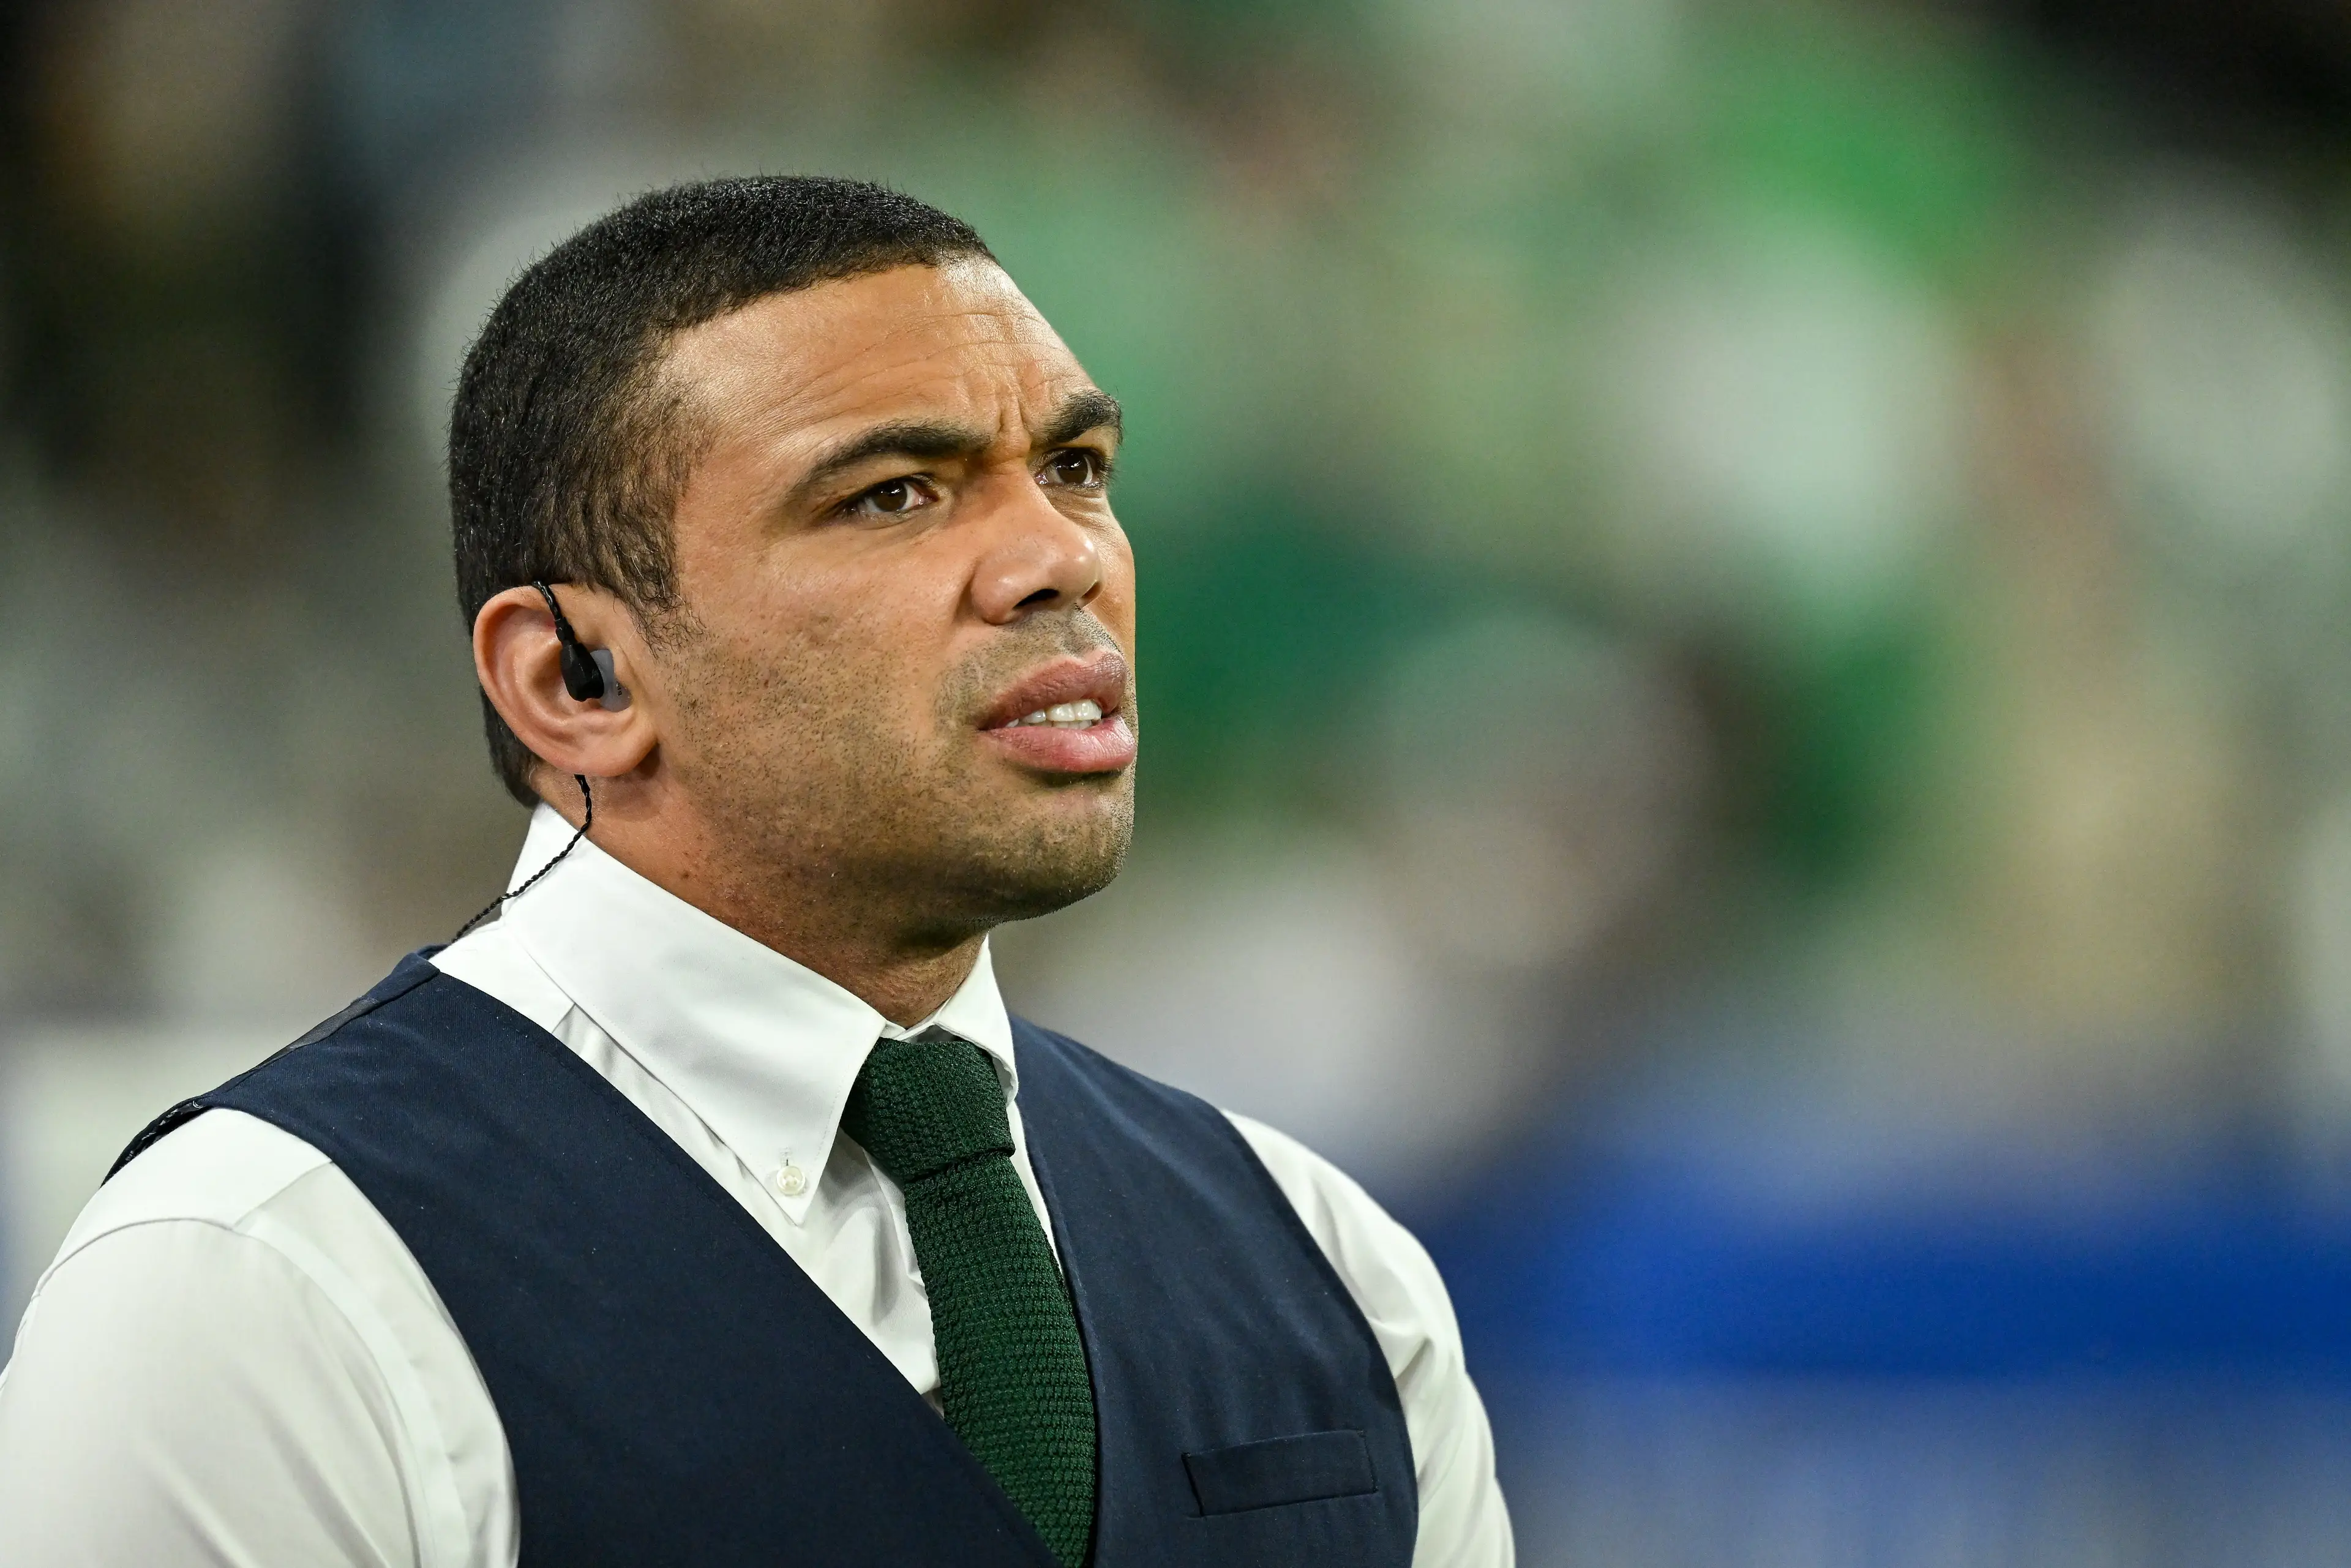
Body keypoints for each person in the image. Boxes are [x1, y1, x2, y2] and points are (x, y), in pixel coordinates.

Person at [0, 176, 1512, 1567]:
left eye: (1074, 465)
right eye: (894, 494)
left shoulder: (1328, 1264)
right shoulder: (259, 1284)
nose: (1060, 557)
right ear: (576, 680)